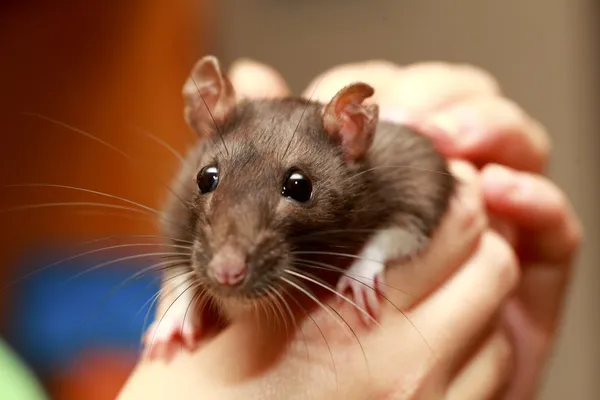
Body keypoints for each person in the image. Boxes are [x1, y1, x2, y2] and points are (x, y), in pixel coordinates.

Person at [117, 59, 582, 400]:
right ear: (205, 109)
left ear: (352, 131)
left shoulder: (388, 166)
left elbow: (426, 186)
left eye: (297, 188)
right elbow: (179, 233)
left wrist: (375, 254)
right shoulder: (203, 176)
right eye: (209, 181)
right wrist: (180, 294)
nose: (227, 266)